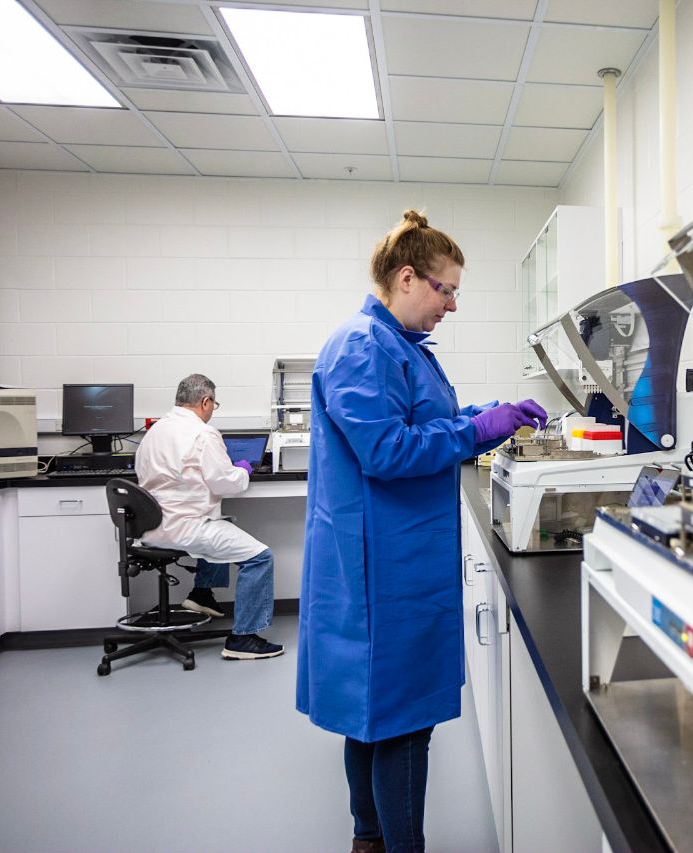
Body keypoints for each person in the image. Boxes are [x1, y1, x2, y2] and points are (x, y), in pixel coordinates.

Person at [296, 210, 547, 853]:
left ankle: (369, 838)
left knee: (373, 715)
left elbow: (418, 419)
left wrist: (482, 413)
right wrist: (477, 431)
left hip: (393, 554)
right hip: (384, 565)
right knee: (402, 722)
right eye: (447, 289)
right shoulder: (362, 345)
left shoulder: (397, 346)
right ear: (407, 278)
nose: (452, 305)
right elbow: (387, 450)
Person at [135, 373, 283, 661]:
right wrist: (243, 469)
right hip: (186, 528)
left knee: (223, 525)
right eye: (214, 404)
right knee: (260, 558)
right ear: (205, 402)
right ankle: (244, 638)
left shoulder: (154, 431)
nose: (213, 409)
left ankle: (201, 595)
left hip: (152, 527)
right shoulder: (203, 434)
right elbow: (225, 483)